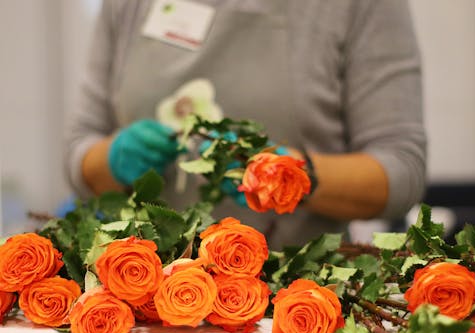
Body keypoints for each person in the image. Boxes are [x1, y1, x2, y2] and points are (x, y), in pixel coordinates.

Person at [64, 0, 427, 249]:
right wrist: (113, 159)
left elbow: (401, 172)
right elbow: (78, 154)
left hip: (297, 303)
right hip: (146, 296)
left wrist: (292, 176)